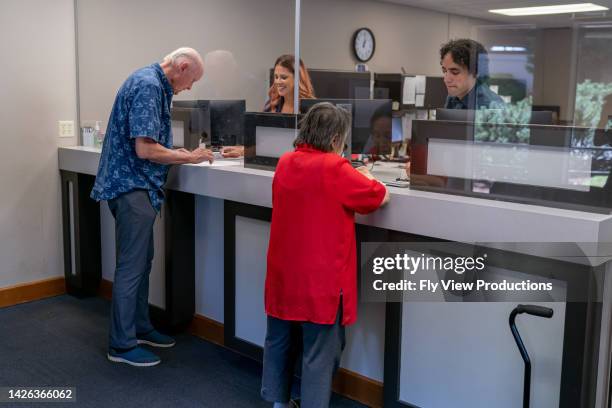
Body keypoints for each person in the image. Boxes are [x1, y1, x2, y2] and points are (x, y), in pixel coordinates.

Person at [90, 47, 214, 367]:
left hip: (136, 185)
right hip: (133, 186)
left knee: (142, 262)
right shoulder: (148, 85)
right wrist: (188, 156)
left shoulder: (153, 83)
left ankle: (140, 328)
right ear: (182, 66)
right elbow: (145, 149)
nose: (189, 88)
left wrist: (177, 152)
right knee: (132, 266)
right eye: (191, 80)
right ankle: (121, 344)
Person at [261, 102, 389, 408]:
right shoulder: (335, 168)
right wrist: (370, 176)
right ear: (335, 139)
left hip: (284, 273)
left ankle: (278, 402)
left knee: (279, 340)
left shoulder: (286, 162)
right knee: (321, 349)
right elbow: (376, 196)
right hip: (321, 280)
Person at [220, 54, 316, 158]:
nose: (278, 82)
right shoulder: (271, 105)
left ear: (298, 79)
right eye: (276, 77)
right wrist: (243, 150)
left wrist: (245, 151)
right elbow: (265, 144)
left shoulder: (312, 110)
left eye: (283, 77)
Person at [440, 39, 505, 110]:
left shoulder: (491, 106)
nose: (446, 80)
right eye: (444, 71)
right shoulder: (454, 96)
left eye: (455, 72)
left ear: (476, 72)